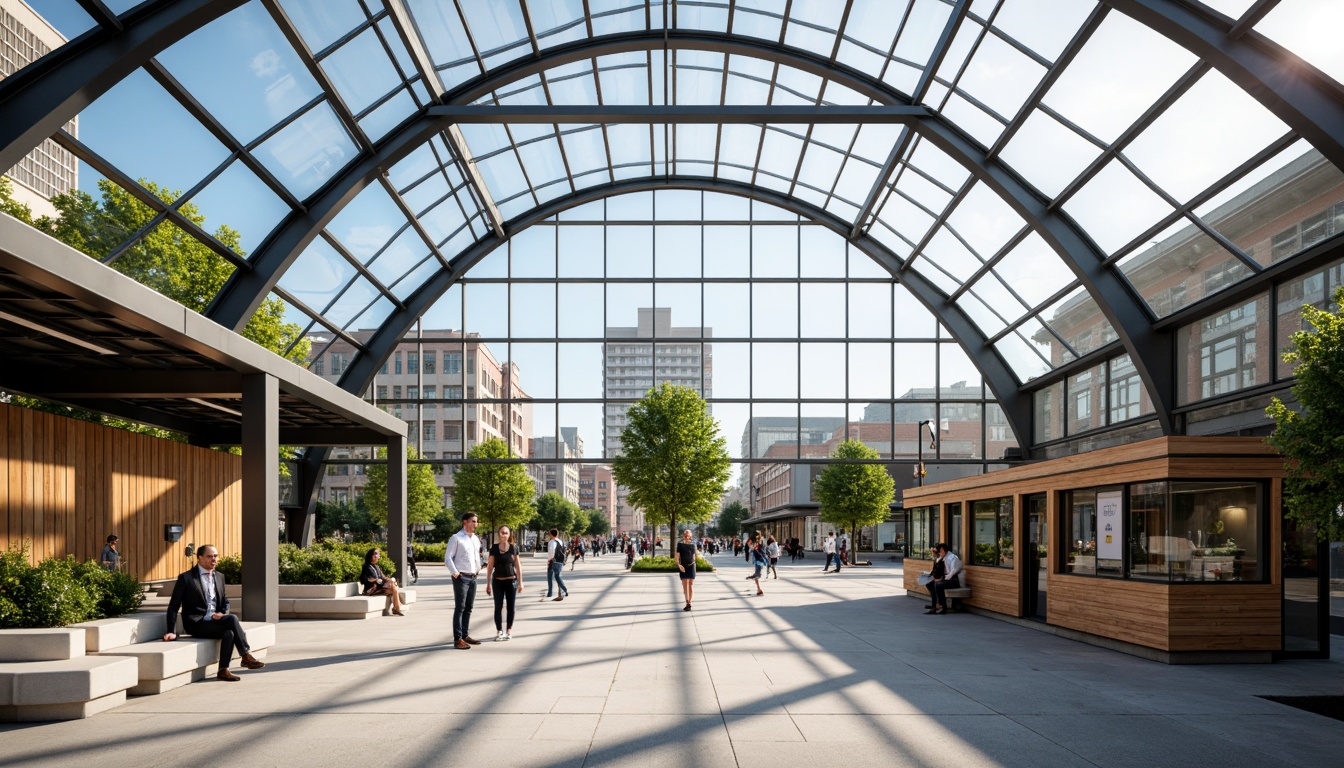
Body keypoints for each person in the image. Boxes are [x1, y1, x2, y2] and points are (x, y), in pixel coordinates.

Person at [161, 545, 265, 681]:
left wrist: (222, 613)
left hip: (215, 620)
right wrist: (171, 631)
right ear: (199, 558)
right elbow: (174, 606)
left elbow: (225, 602)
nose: (214, 559)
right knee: (232, 619)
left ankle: (223, 670)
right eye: (210, 556)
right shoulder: (186, 578)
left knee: (229, 633)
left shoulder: (219, 576)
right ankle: (245, 655)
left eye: (215, 556)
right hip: (196, 623)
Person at [445, 512, 484, 649]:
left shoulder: (475, 539)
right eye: (473, 521)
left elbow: (478, 556)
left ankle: (465, 634)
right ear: (464, 522)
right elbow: (448, 557)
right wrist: (455, 573)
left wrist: (478, 568)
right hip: (462, 577)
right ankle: (458, 639)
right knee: (460, 608)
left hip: (473, 577)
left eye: (476, 521)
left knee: (469, 608)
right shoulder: (456, 538)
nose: (476, 524)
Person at [485, 525, 523, 641]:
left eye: (506, 533)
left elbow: (517, 565)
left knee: (511, 607)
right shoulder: (494, 548)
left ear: (509, 534)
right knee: (498, 606)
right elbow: (490, 566)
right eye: (502, 532)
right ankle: (499, 631)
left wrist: (521, 582)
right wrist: (488, 583)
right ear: (499, 534)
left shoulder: (514, 548)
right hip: (498, 582)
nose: (504, 535)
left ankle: (509, 630)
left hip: (511, 581)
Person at [360, 548, 405, 616]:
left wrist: (390, 579)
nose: (377, 557)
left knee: (393, 587)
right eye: (375, 555)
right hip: (371, 590)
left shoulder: (377, 567)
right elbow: (364, 579)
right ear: (371, 556)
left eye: (378, 555)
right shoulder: (366, 566)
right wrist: (375, 580)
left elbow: (383, 577)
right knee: (394, 588)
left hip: (378, 588)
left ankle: (397, 608)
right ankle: (397, 608)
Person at [930, 543, 963, 615]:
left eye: (940, 551)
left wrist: (941, 579)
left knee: (938, 585)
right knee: (930, 583)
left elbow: (951, 573)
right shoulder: (942, 558)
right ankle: (934, 605)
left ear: (943, 550)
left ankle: (942, 607)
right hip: (946, 578)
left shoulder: (953, 558)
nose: (939, 553)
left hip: (953, 580)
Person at [675, 529, 697, 611]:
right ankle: (687, 601)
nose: (686, 536)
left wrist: (695, 564)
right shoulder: (680, 544)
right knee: (685, 585)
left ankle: (689, 602)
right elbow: (677, 556)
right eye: (685, 534)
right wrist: (679, 565)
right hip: (683, 566)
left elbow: (695, 556)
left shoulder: (693, 544)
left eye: (688, 534)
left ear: (690, 535)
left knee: (690, 584)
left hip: (692, 566)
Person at [544, 528, 569, 601]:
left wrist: (549, 560)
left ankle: (562, 589)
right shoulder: (560, 541)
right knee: (556, 576)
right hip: (560, 561)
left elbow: (551, 551)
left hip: (553, 561)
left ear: (551, 534)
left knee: (552, 577)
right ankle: (557, 592)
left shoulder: (551, 542)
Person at [924, 546, 947, 613]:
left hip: (940, 577)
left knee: (934, 585)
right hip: (937, 577)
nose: (932, 554)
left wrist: (934, 578)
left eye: (933, 553)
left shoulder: (942, 560)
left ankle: (936, 605)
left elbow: (940, 572)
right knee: (929, 584)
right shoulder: (937, 560)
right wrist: (930, 576)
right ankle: (934, 604)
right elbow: (934, 570)